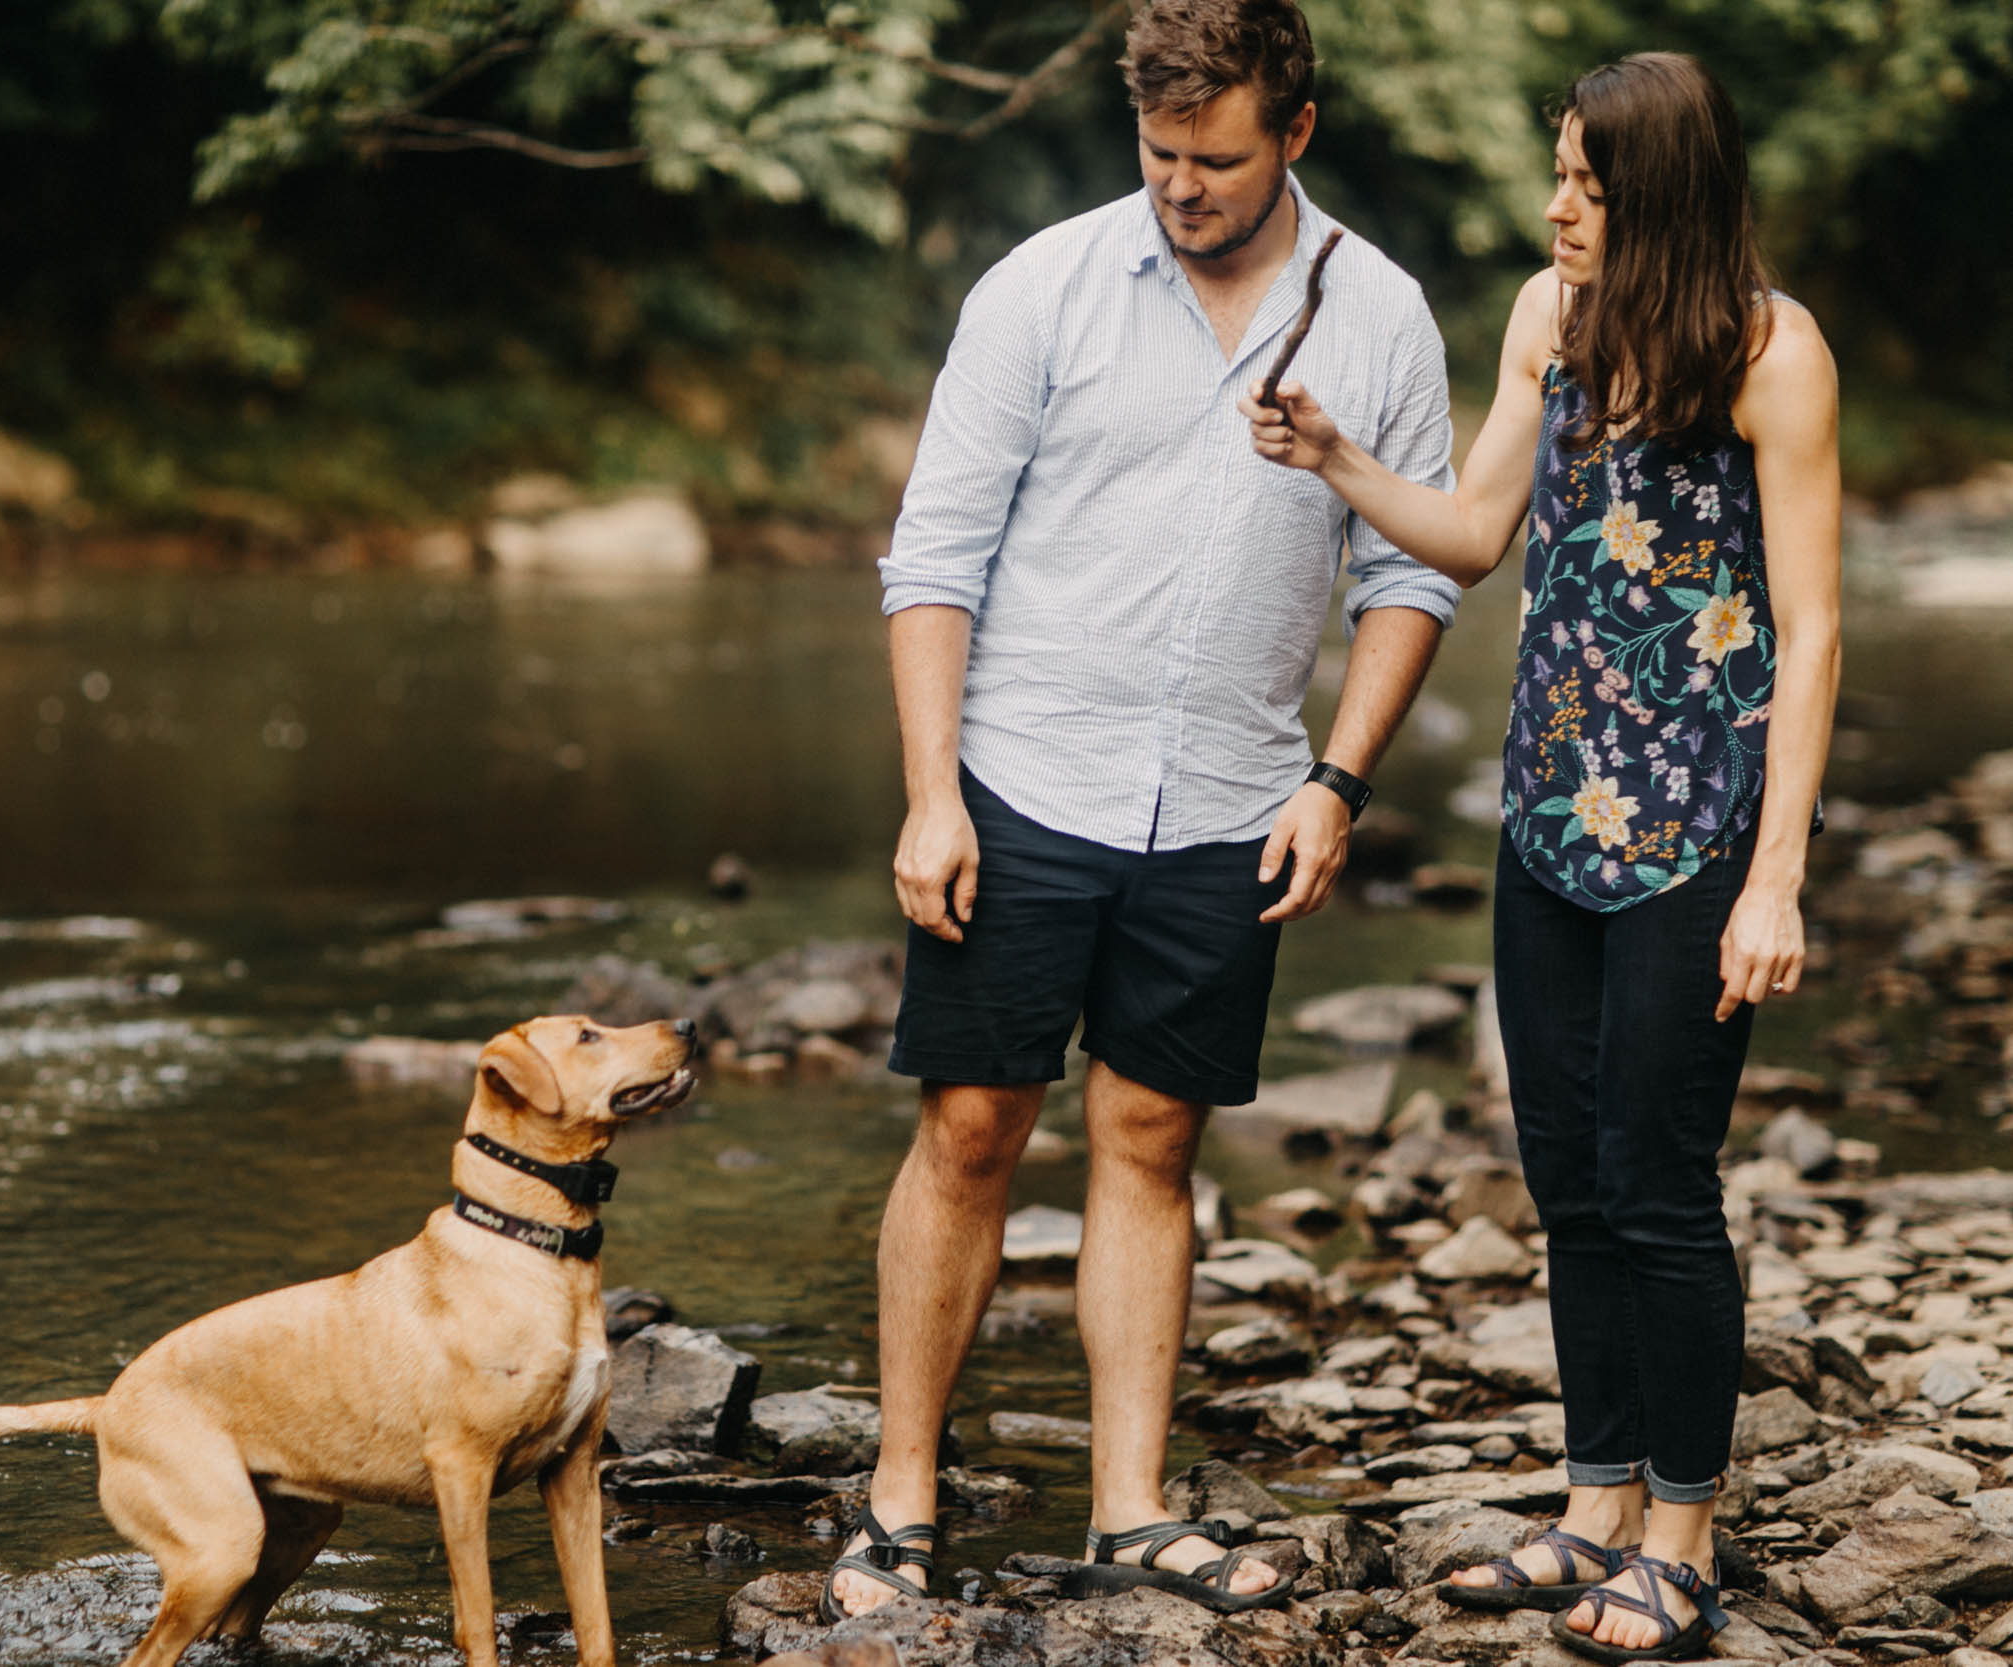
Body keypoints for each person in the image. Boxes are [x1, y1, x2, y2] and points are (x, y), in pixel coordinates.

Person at [825, 0, 1464, 1622]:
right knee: (972, 1126)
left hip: (1237, 793)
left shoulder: (1378, 317)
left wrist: (1340, 782)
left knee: (1152, 1137)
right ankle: (900, 1488)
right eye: (1161, 153)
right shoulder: (1042, 284)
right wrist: (929, 797)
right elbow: (934, 554)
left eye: (1219, 158)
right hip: (1024, 771)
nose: (1182, 185)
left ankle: (1128, 1506)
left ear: (1296, 136)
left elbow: (1409, 575)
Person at [1240, 50, 1842, 1664]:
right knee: (1570, 1181)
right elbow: (1474, 529)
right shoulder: (1544, 319)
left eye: (1584, 180)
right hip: (1550, 813)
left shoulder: (1774, 356)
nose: (1556, 203)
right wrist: (1339, 464)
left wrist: (1776, 872)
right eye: (1557, 172)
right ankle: (1592, 1506)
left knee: (1660, 1184)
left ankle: (1686, 1536)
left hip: (1699, 829)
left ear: (1657, 194)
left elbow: (1817, 627)